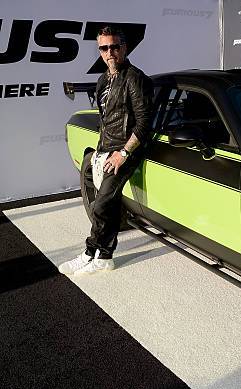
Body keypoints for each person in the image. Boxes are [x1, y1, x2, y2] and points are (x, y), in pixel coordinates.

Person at [59, 26, 153, 275]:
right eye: (104, 47)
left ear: (124, 47)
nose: (109, 52)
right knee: (106, 204)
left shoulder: (134, 78)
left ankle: (90, 251)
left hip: (124, 152)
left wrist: (123, 153)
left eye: (114, 46)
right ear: (100, 51)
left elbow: (144, 123)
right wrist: (100, 152)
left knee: (100, 205)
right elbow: (106, 119)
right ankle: (105, 257)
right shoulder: (103, 80)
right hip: (105, 149)